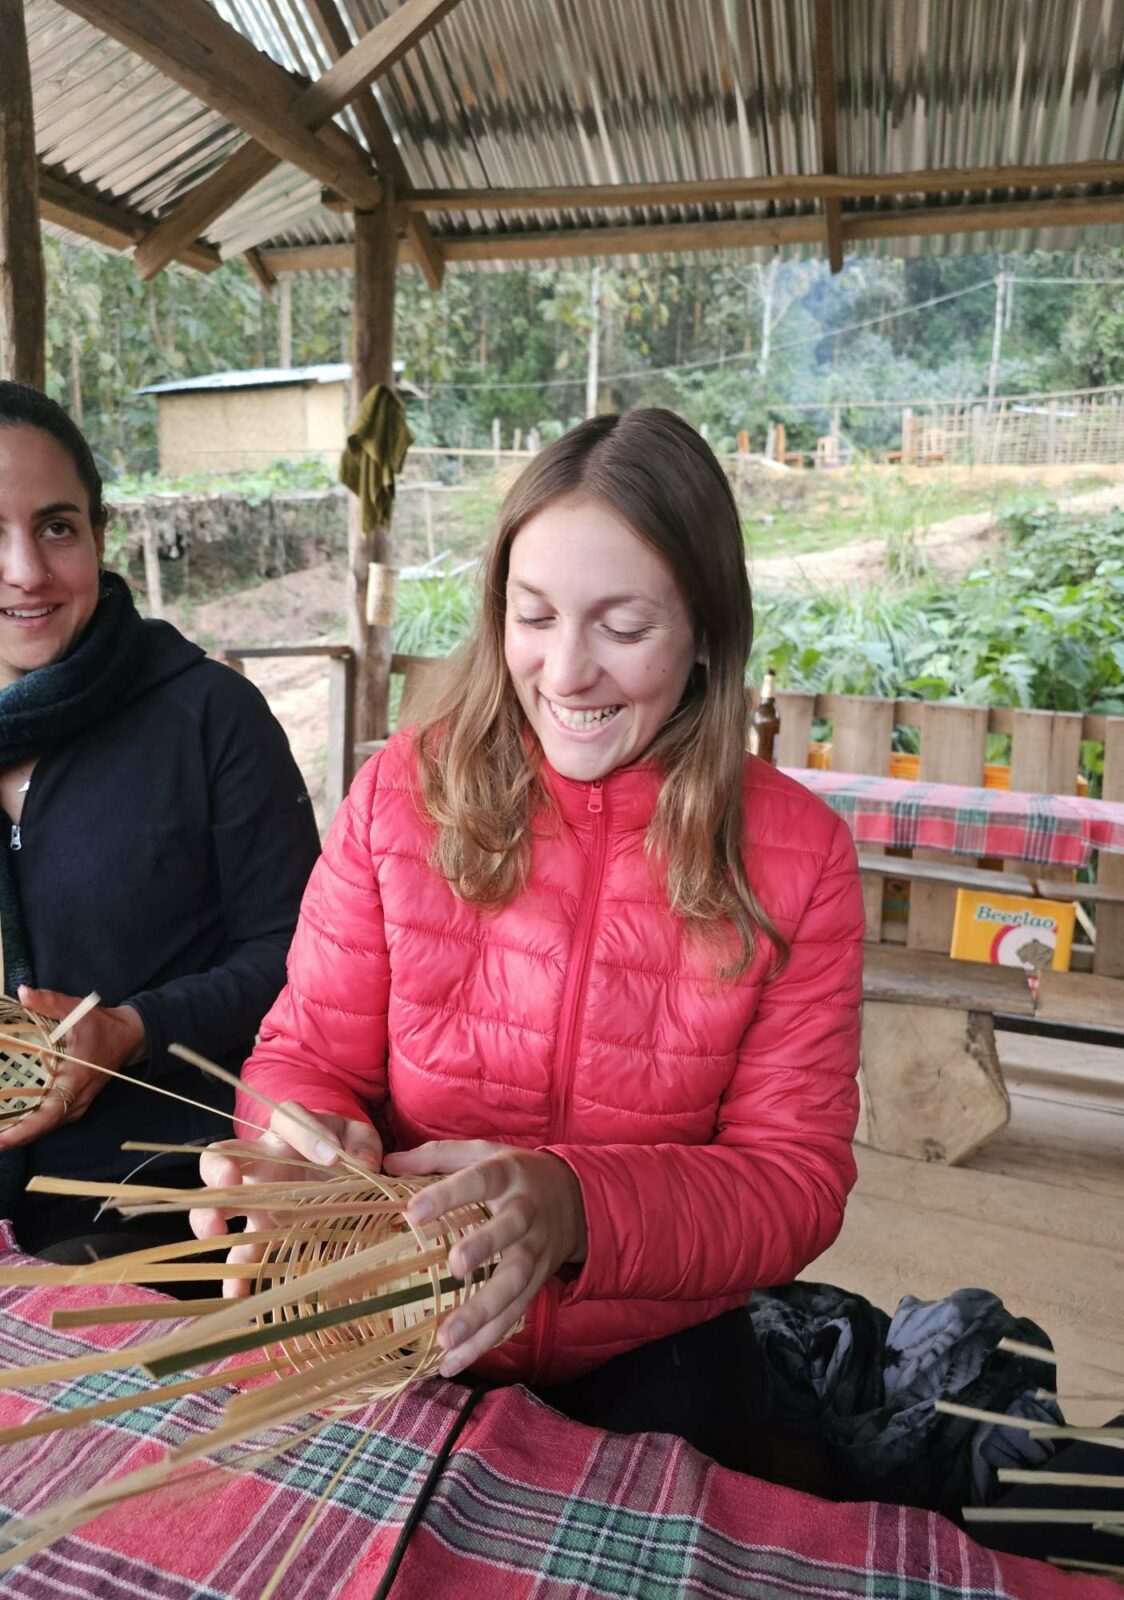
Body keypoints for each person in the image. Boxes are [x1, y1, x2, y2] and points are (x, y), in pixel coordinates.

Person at [195, 408, 864, 1472]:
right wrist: (302, 1141)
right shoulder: (401, 795)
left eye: (624, 628)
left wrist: (577, 1206)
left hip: (652, 1338)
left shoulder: (798, 857)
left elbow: (793, 1179)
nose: (564, 671)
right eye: (534, 615)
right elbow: (304, 1053)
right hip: (405, 1308)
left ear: (706, 630)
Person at [0, 382, 321, 1261]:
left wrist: (132, 1029)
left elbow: (301, 960)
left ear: (100, 536)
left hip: (171, 1203)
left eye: (56, 527)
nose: (26, 570)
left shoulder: (209, 716)